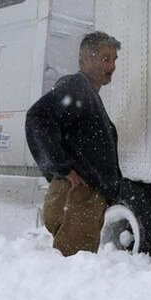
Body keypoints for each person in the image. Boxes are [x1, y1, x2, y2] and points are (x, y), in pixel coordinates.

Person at [25, 31, 122, 256]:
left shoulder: (89, 94)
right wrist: (62, 167)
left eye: (114, 59)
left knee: (76, 270)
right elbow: (38, 118)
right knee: (75, 269)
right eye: (105, 59)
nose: (112, 65)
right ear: (84, 60)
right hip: (79, 195)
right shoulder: (76, 85)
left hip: (83, 197)